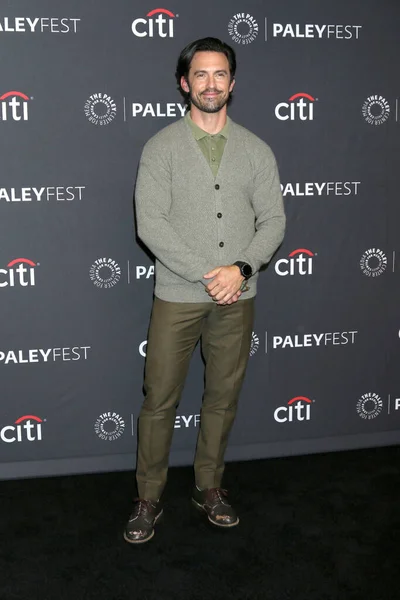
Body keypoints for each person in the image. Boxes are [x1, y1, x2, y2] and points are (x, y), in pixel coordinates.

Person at [124, 37, 286, 544]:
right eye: (200, 74)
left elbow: (274, 220)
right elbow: (150, 223)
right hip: (178, 294)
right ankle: (148, 497)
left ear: (232, 84)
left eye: (220, 74)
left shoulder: (256, 150)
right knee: (159, 400)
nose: (210, 83)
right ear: (184, 83)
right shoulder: (161, 147)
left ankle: (208, 488)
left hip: (237, 295)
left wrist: (239, 268)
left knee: (222, 397)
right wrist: (206, 272)